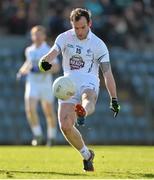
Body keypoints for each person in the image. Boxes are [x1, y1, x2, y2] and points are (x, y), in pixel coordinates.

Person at [39, 8, 120, 171]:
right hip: (67, 84)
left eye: (83, 27)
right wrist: (44, 61)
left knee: (87, 98)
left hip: (89, 81)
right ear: (72, 25)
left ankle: (83, 110)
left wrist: (114, 98)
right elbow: (53, 52)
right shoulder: (64, 37)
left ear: (89, 24)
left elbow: (107, 73)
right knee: (65, 126)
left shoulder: (98, 45)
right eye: (76, 28)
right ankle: (87, 155)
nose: (80, 31)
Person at [17, 25, 60, 146]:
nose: (37, 36)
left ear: (44, 36)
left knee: (49, 112)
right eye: (35, 34)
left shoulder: (48, 49)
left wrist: (42, 70)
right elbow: (28, 63)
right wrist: (21, 71)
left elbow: (56, 67)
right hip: (32, 83)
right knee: (30, 109)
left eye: (39, 34)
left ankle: (51, 137)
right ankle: (38, 135)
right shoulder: (29, 50)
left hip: (45, 84)